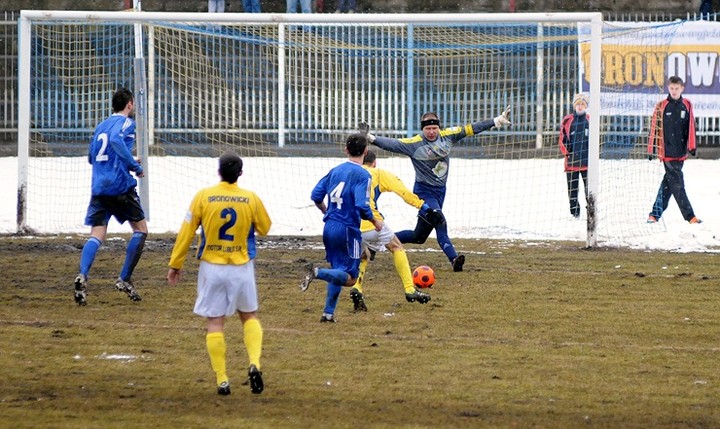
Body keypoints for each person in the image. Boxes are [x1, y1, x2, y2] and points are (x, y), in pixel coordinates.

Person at [166, 151, 272, 396]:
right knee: (249, 316)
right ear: (240, 174)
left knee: (215, 322)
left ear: (219, 172)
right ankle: (254, 362)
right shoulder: (250, 198)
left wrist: (176, 264)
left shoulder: (203, 196)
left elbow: (186, 232)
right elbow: (265, 228)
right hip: (241, 266)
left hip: (212, 267)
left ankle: (222, 379)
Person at [359, 106, 511, 272]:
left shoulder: (448, 136)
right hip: (424, 192)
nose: (431, 132)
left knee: (418, 236)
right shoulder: (414, 144)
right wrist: (371, 138)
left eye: (434, 128)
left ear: (439, 127)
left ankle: (375, 245)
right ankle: (454, 259)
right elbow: (393, 144)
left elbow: (471, 129)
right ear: (422, 129)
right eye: (427, 129)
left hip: (440, 192)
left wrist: (496, 121)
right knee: (440, 220)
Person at [73, 87, 146, 306]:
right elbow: (115, 140)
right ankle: (124, 278)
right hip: (120, 186)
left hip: (99, 187)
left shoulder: (100, 126)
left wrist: (120, 160)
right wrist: (133, 165)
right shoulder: (126, 123)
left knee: (97, 234)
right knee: (141, 230)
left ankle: (83, 275)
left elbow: (90, 157)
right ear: (130, 105)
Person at [299, 134, 383, 323]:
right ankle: (317, 273)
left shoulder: (335, 171)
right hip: (347, 230)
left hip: (330, 226)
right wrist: (375, 221)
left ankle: (328, 314)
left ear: (346, 150)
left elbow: (316, 195)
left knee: (342, 266)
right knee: (351, 277)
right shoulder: (363, 174)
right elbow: (362, 205)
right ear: (366, 151)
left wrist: (327, 212)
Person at [349, 149, 435, 312]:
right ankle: (410, 289)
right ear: (374, 162)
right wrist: (422, 206)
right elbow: (402, 191)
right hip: (371, 222)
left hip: (350, 226)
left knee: (364, 255)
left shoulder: (348, 172)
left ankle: (357, 287)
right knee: (396, 246)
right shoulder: (379, 173)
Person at [647, 76, 701, 225]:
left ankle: (654, 214)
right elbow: (654, 128)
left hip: (680, 152)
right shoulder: (661, 106)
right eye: (672, 88)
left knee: (669, 184)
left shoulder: (687, 105)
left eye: (677, 88)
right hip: (667, 152)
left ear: (682, 89)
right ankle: (690, 217)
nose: (674, 91)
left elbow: (690, 127)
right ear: (668, 88)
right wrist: (651, 148)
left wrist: (692, 147)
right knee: (677, 185)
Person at [558, 93, 590, 218]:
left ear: (586, 106)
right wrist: (568, 153)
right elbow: (562, 139)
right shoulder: (567, 120)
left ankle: (590, 214)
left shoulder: (590, 120)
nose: (580, 107)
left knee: (590, 192)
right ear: (574, 105)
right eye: (578, 104)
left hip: (587, 164)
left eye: (582, 104)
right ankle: (575, 215)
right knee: (572, 193)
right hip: (571, 164)